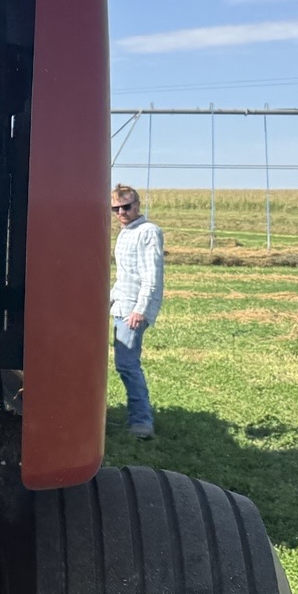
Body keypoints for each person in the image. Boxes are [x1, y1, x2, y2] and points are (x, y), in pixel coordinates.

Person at [110, 184, 164, 439]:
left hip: (132, 310)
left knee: (128, 365)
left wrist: (140, 310)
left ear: (138, 205)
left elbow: (151, 275)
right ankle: (138, 419)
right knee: (124, 365)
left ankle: (142, 424)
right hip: (120, 305)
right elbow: (124, 277)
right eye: (116, 208)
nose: (122, 212)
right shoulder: (124, 232)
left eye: (126, 206)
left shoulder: (147, 231)